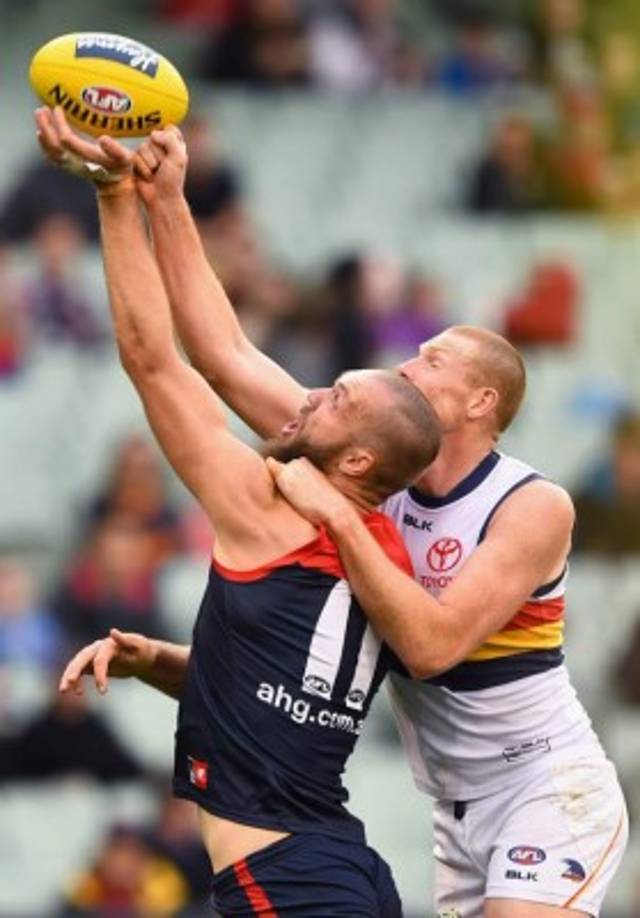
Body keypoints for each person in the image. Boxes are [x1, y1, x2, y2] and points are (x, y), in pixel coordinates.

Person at [52, 116, 626, 915]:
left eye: (432, 359)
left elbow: (430, 646)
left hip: (542, 781)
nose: (405, 364)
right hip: (445, 808)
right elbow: (222, 357)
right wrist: (169, 201)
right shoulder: (371, 465)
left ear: (480, 402)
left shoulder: (526, 504)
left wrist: (338, 514)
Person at [39, 107, 442, 916]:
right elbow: (277, 685)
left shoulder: (272, 509)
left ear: (358, 463)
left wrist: (114, 195)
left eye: (335, 400)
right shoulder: (388, 547)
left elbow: (154, 361)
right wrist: (165, 663)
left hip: (289, 875)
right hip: (337, 860)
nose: (309, 397)